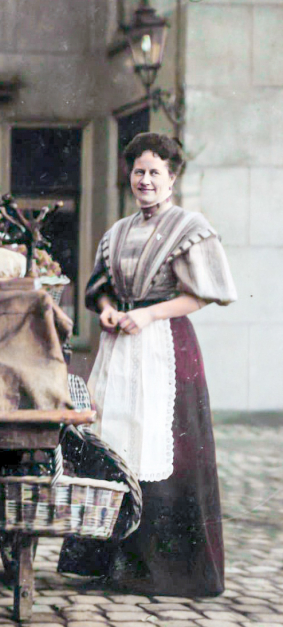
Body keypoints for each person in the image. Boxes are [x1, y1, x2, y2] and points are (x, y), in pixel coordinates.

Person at [58, 133, 237, 596]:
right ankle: (113, 562)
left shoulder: (188, 226)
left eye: (156, 172)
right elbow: (98, 285)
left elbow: (201, 295)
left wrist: (148, 314)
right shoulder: (119, 231)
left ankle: (164, 569)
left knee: (165, 451)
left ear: (172, 178)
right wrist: (107, 311)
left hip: (166, 349)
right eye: (139, 171)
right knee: (114, 442)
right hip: (121, 348)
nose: (146, 180)